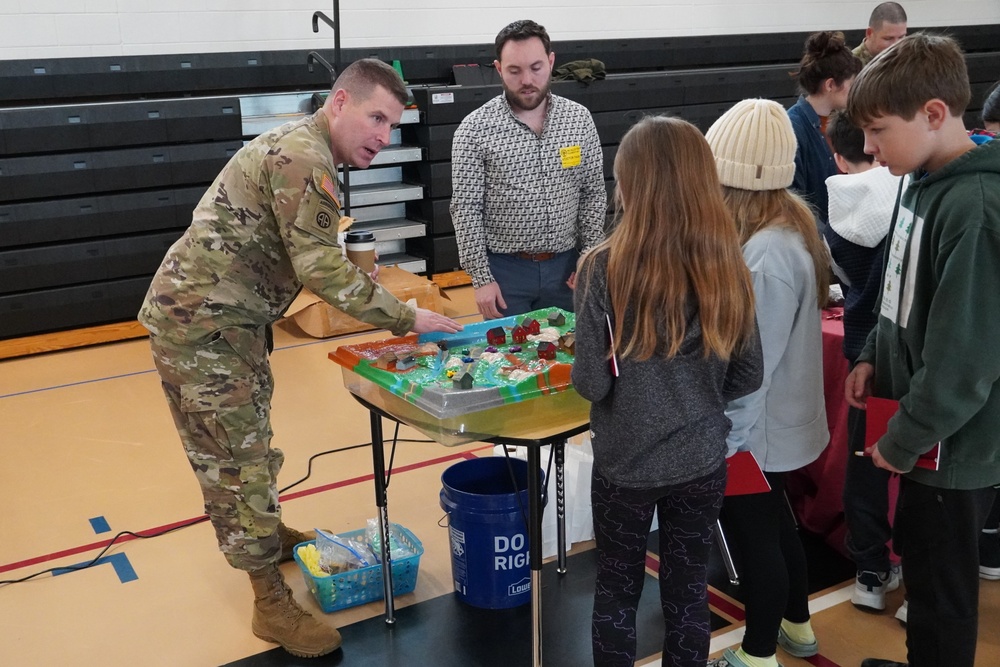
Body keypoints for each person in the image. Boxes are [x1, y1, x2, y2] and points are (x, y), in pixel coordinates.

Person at [138, 59, 463, 659]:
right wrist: (407, 316)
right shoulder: (304, 157)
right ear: (339, 102)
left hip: (226, 320)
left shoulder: (303, 146)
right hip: (204, 326)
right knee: (238, 461)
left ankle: (266, 537)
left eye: (393, 126)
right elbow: (322, 269)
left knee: (252, 443)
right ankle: (269, 602)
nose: (382, 137)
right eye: (376, 118)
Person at [572, 115, 763, 667]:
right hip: (703, 461)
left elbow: (591, 379)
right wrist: (694, 395)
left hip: (624, 466)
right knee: (686, 594)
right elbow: (748, 374)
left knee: (615, 591)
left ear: (629, 186)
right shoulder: (728, 264)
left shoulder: (603, 267)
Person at [843, 33, 1000, 667]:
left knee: (941, 588)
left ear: (934, 114)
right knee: (923, 562)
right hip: (924, 430)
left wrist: (906, 437)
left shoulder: (976, 207)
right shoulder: (917, 182)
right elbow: (898, 291)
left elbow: (966, 360)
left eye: (879, 130)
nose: (870, 149)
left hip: (954, 443)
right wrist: (873, 353)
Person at [705, 99, 831, 667]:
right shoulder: (790, 227)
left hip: (755, 432)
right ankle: (797, 627)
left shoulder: (763, 256)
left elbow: (752, 370)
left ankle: (757, 655)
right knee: (779, 526)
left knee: (757, 540)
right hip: (774, 429)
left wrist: (727, 445)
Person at [451, 19, 607, 320]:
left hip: (568, 270)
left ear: (550, 62)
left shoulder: (579, 120)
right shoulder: (474, 130)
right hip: (506, 274)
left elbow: (593, 193)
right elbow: (466, 209)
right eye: (514, 70)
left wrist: (588, 258)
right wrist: (481, 278)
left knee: (570, 359)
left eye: (536, 68)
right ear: (498, 69)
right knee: (511, 361)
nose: (526, 79)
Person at [822, 111, 905, 613]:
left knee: (865, 459)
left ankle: (870, 569)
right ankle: (922, 578)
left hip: (863, 350)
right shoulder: (911, 195)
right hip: (904, 347)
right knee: (922, 468)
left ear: (837, 155)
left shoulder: (835, 206)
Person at [787, 31, 863, 233]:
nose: (854, 91)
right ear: (830, 85)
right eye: (851, 84)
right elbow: (795, 205)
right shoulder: (792, 129)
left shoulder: (843, 120)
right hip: (818, 240)